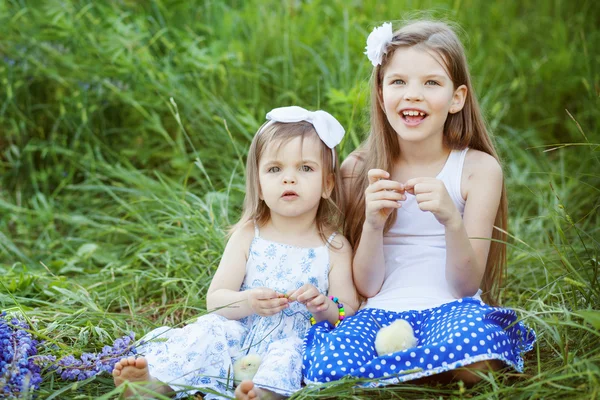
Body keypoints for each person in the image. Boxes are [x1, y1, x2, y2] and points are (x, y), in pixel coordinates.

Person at [302, 20, 536, 387]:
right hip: (379, 312)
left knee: (477, 357)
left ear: (456, 97)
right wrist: (373, 225)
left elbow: (465, 284)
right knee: (327, 366)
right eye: (398, 82)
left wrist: (451, 221)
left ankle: (397, 372)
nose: (413, 94)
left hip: (452, 310)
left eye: (431, 82)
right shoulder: (357, 169)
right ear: (381, 94)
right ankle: (423, 368)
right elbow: (366, 287)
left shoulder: (477, 169)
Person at [111, 106, 359, 399]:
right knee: (207, 334)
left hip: (294, 338)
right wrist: (248, 301)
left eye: (305, 168)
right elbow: (215, 299)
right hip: (237, 331)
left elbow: (349, 311)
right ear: (260, 185)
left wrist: (322, 306)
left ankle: (263, 393)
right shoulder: (248, 235)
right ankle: (154, 385)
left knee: (287, 356)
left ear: (327, 184)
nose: (288, 179)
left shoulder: (334, 246)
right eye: (275, 169)